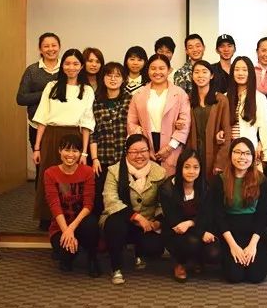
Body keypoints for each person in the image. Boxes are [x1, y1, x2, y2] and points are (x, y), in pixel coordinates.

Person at [32, 49, 95, 224]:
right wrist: (37, 147)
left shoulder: (87, 90)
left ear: (81, 66)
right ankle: (47, 217)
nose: (71, 67)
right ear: (62, 65)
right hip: (51, 137)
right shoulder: (51, 86)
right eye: (67, 63)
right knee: (49, 176)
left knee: (71, 178)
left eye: (75, 64)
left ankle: (70, 217)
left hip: (74, 137)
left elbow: (87, 123)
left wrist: (84, 152)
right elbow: (42, 118)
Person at [101, 134, 167, 285]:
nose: (139, 156)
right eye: (134, 152)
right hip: (120, 218)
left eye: (143, 151)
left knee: (155, 247)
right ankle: (116, 267)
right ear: (127, 152)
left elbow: (162, 203)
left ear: (149, 151)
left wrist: (157, 222)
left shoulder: (159, 172)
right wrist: (136, 217)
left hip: (147, 222)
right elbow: (110, 200)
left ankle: (140, 253)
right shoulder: (114, 171)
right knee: (115, 225)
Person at [210, 138, 267, 283]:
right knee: (235, 277)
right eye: (237, 152)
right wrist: (233, 246)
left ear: (253, 157)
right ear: (230, 154)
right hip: (229, 232)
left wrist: (252, 245)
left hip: (253, 233)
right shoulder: (220, 180)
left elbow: (263, 215)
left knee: (256, 277)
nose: (242, 157)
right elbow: (219, 216)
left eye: (247, 153)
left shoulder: (261, 180)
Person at [159, 148, 222, 282]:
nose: (191, 171)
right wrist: (199, 232)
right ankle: (179, 263)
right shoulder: (167, 189)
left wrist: (191, 224)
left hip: (199, 227)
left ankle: (197, 259)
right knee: (192, 242)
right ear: (180, 167)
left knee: (214, 253)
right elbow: (175, 222)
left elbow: (208, 215)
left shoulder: (205, 187)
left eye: (195, 167)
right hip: (175, 232)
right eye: (187, 167)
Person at [43, 134, 100, 277]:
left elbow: (88, 204)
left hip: (80, 222)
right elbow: (54, 205)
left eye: (75, 151)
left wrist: (71, 229)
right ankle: (67, 256)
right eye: (67, 150)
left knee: (91, 224)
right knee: (65, 254)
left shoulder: (87, 172)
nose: (70, 154)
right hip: (60, 225)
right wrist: (66, 231)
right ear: (59, 151)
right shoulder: (50, 173)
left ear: (80, 153)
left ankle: (92, 258)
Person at [127, 54, 191, 176]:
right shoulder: (139, 94)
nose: (157, 72)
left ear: (169, 70)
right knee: (148, 183)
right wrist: (143, 144)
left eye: (162, 68)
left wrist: (169, 148)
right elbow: (131, 122)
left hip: (173, 144)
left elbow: (185, 123)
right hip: (146, 144)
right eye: (153, 68)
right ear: (148, 70)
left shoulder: (180, 94)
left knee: (169, 182)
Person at [89, 62, 132, 217]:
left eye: (117, 75)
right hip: (102, 157)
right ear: (103, 78)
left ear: (124, 79)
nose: (113, 79)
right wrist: (94, 159)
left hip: (124, 157)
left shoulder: (130, 99)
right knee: (99, 197)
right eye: (109, 75)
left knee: (123, 196)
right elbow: (93, 132)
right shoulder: (95, 101)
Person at [16, 32, 60, 175]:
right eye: (46, 46)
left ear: (59, 47)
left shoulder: (67, 68)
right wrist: (46, 93)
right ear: (40, 49)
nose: (50, 49)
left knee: (62, 167)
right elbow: (21, 98)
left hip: (62, 126)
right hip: (37, 125)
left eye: (54, 45)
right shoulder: (32, 70)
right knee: (42, 169)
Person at [227, 56, 267, 169]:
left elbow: (266, 127)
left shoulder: (259, 98)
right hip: (228, 152)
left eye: (244, 70)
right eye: (237, 69)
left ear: (251, 73)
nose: (240, 73)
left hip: (249, 152)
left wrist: (266, 151)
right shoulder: (225, 97)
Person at [186, 59, 231, 177]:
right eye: (196, 72)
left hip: (214, 152)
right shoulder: (187, 99)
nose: (200, 75)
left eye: (204, 72)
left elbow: (227, 132)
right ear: (192, 76)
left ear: (211, 76)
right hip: (192, 152)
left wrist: (220, 162)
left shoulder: (221, 100)